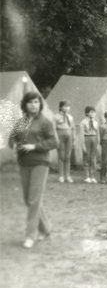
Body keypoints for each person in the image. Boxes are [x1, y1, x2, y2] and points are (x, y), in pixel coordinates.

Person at [9, 92, 58, 248]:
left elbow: (54, 141)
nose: (33, 105)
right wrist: (14, 144)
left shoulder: (45, 122)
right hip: (24, 163)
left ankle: (30, 235)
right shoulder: (21, 122)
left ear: (40, 104)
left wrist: (35, 146)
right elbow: (12, 138)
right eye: (30, 102)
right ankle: (46, 229)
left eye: (36, 102)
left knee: (33, 199)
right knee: (28, 199)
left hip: (40, 162)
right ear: (25, 104)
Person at [54, 100, 74, 183]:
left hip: (69, 136)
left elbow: (73, 128)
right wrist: (56, 138)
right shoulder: (56, 116)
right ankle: (61, 176)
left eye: (68, 106)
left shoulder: (70, 117)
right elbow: (53, 128)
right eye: (65, 106)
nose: (67, 108)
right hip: (60, 135)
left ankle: (67, 176)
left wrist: (73, 137)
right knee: (61, 156)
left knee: (68, 156)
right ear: (60, 107)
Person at [81, 106, 99, 183]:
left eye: (94, 112)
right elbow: (81, 134)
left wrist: (98, 143)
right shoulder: (83, 122)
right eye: (91, 112)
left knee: (93, 158)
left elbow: (97, 133)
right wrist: (83, 145)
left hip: (94, 138)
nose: (93, 114)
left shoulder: (96, 122)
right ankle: (87, 176)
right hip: (86, 138)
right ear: (87, 113)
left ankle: (92, 176)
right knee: (86, 157)